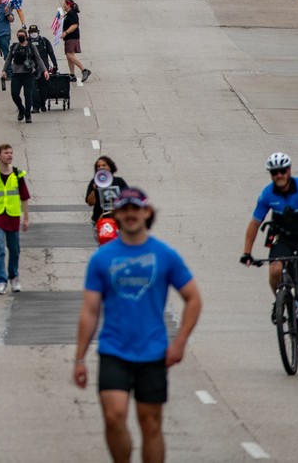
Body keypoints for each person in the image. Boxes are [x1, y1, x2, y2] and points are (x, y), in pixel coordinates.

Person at [73, 189, 202, 463]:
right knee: (113, 415)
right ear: (116, 215)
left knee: (150, 423)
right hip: (113, 350)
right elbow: (90, 310)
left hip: (153, 352)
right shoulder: (102, 258)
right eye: (124, 209)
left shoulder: (164, 254)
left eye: (136, 209)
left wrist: (179, 343)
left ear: (146, 213)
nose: (130, 214)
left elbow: (193, 299)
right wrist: (79, 358)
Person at [241, 153, 298, 363]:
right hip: (284, 239)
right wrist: (247, 252)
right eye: (275, 172)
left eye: (283, 171)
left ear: (289, 171)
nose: (279, 175)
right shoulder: (266, 195)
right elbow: (254, 223)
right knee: (274, 270)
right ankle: (280, 301)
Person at [0, 144, 30, 294]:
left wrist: (26, 218)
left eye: (11, 153)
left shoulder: (17, 174)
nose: (9, 155)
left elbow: (24, 197)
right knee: (0, 249)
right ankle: (1, 281)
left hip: (13, 216)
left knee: (14, 250)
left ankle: (14, 277)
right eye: (6, 153)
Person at [84, 156, 129, 233]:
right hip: (100, 221)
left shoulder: (119, 181)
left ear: (110, 167)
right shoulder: (94, 182)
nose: (101, 167)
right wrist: (94, 189)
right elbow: (90, 203)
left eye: (104, 165)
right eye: (98, 166)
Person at [62, 0, 92, 84]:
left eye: (64, 4)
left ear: (68, 5)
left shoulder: (72, 13)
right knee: (69, 56)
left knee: (70, 55)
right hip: (69, 38)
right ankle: (72, 75)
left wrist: (66, 32)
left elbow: (75, 25)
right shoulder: (69, 14)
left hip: (72, 37)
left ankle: (84, 70)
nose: (63, 5)